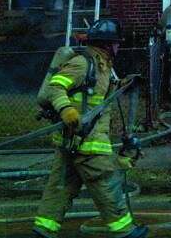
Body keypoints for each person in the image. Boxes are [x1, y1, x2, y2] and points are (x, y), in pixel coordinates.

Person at [33, 18, 148, 238]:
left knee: (61, 187)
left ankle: (44, 229)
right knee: (106, 182)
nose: (118, 47)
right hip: (89, 141)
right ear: (106, 44)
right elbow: (55, 87)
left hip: (73, 141)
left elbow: (98, 91)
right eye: (116, 43)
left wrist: (126, 83)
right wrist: (67, 110)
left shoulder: (102, 65)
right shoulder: (83, 63)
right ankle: (125, 231)